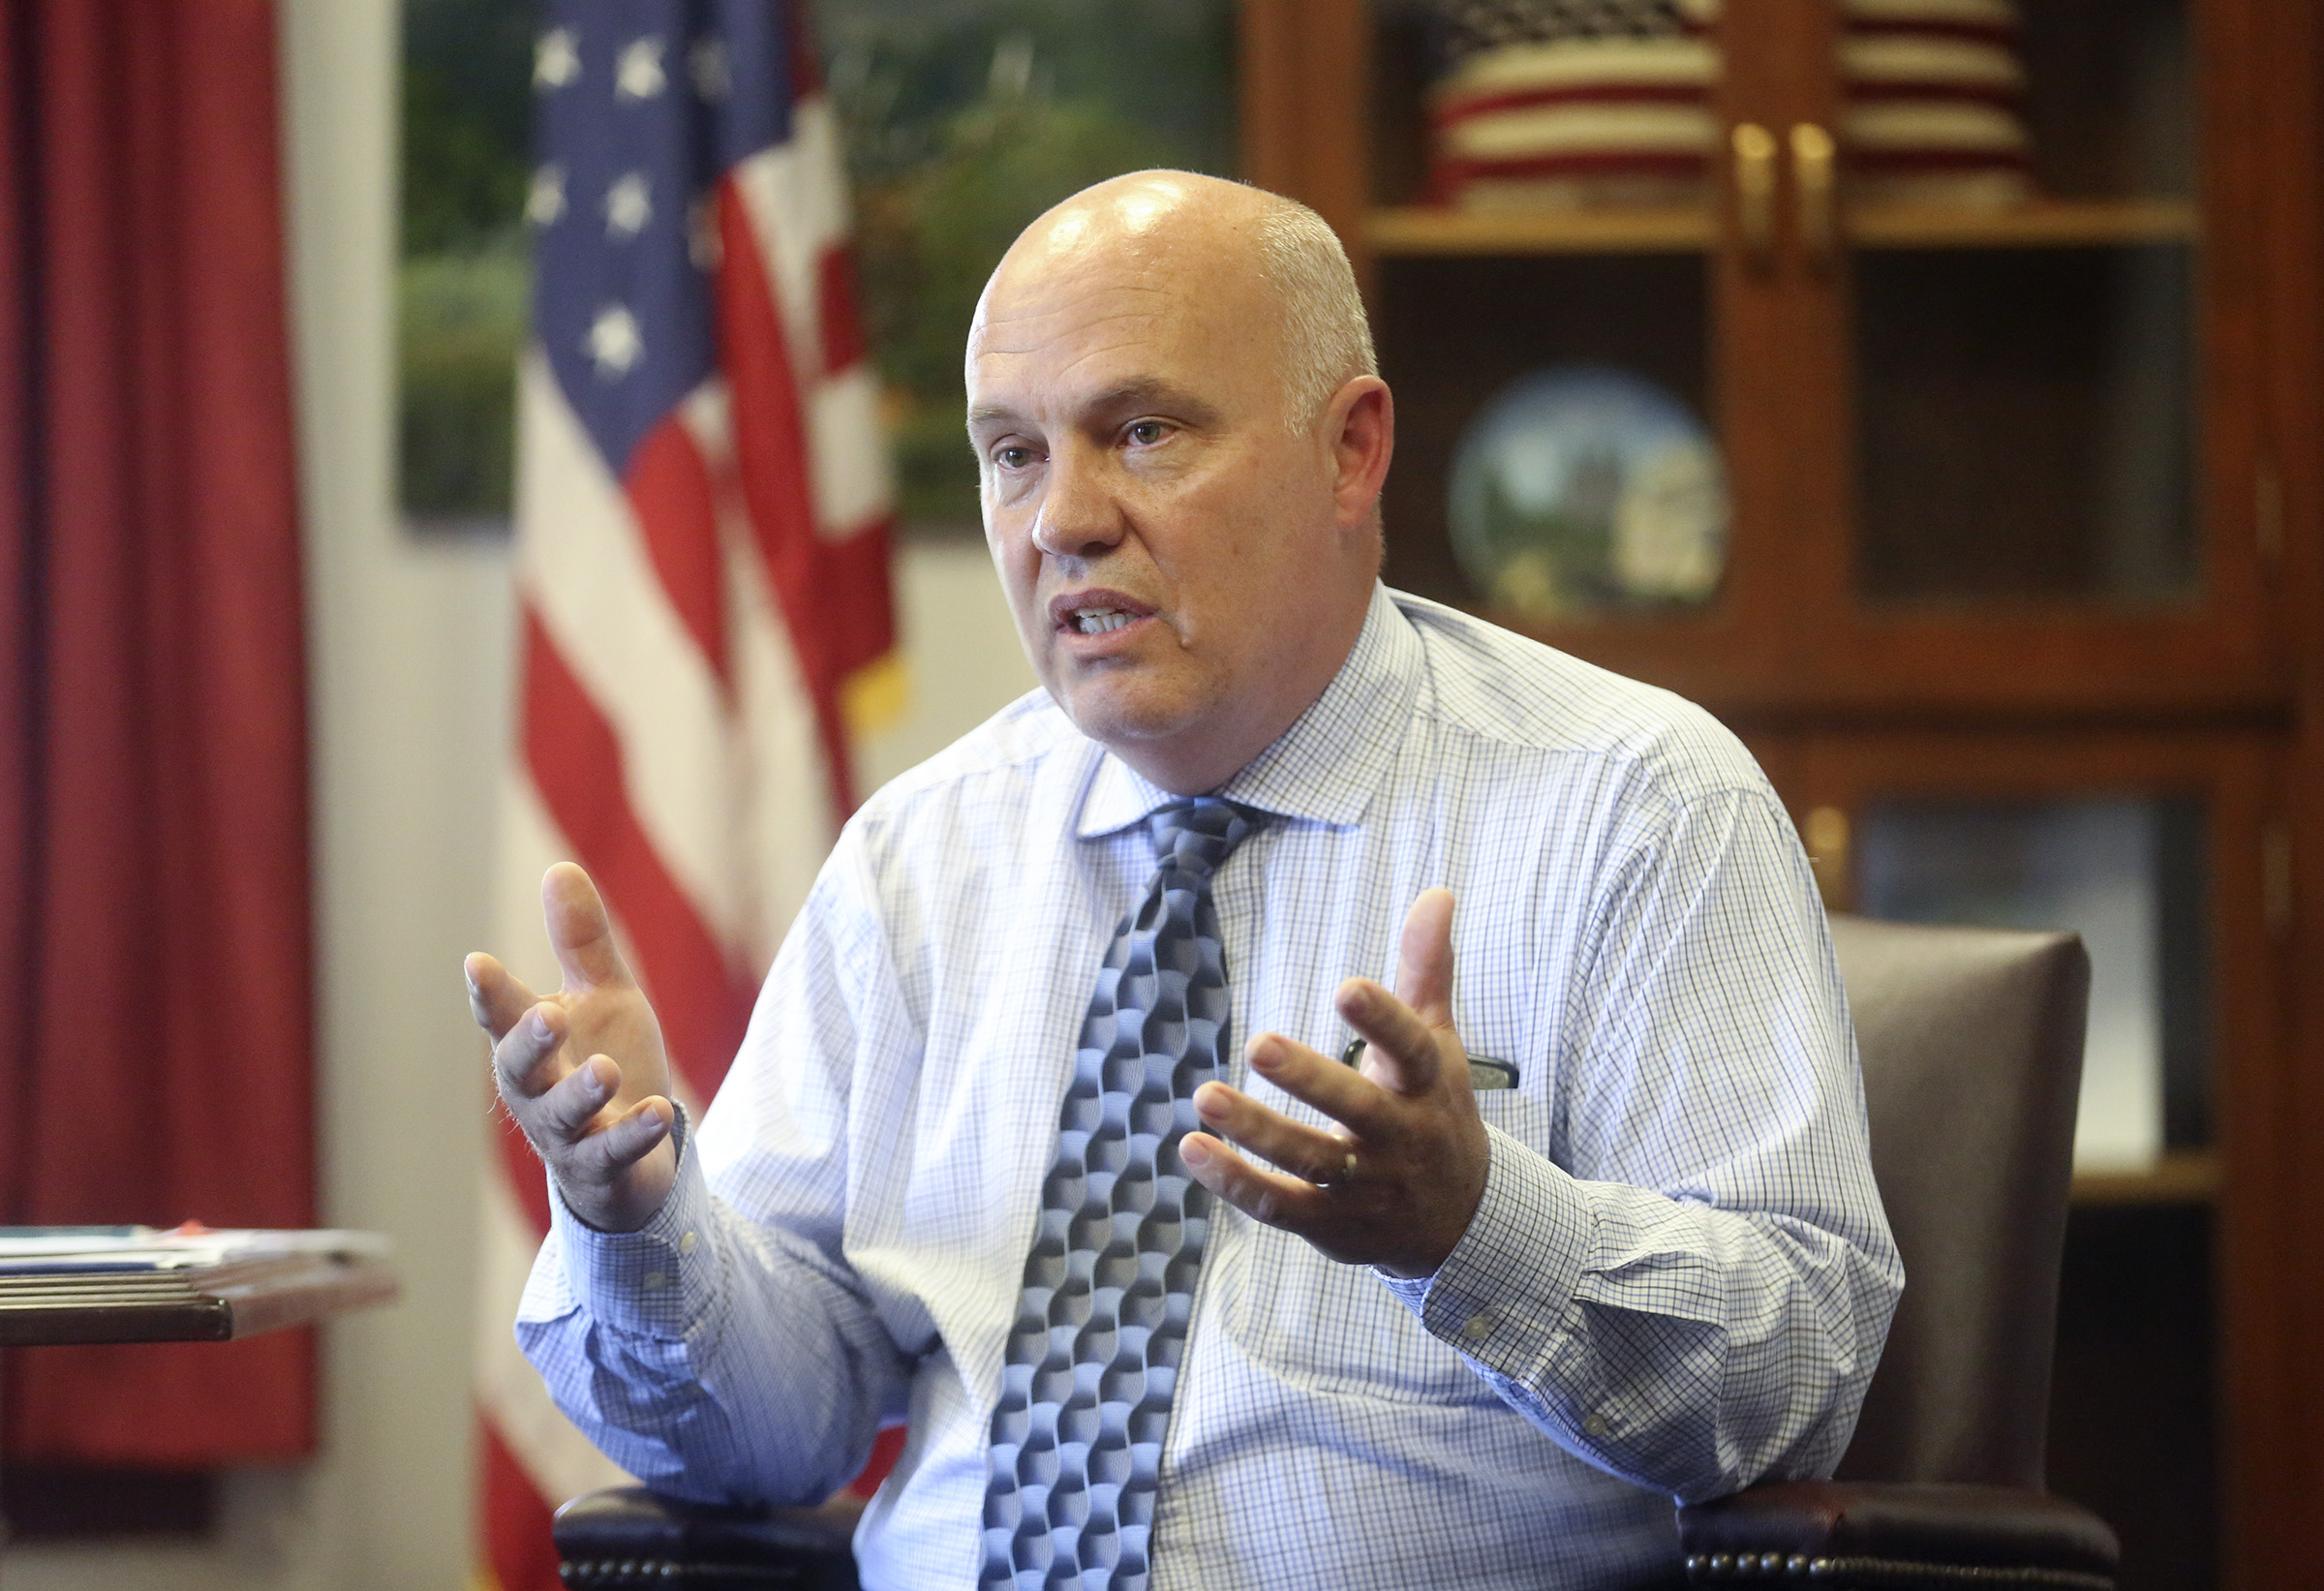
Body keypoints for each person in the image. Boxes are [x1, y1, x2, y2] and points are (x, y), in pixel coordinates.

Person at [467, 170, 1901, 1591]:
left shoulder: (1636, 804)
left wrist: (1474, 1227)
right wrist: (636, 1219)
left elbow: (1798, 1370)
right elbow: (766, 1442)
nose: (1060, 523)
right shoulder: (921, 857)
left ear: (1350, 451)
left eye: (1141, 433)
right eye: (1013, 453)